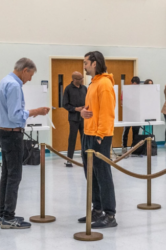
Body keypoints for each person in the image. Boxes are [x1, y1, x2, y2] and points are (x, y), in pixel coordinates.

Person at [0, 58, 50, 229]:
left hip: (3, 132)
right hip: (12, 135)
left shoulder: (4, 81)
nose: (30, 79)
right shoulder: (15, 86)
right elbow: (15, 115)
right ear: (25, 70)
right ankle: (9, 217)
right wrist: (36, 112)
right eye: (30, 75)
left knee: (6, 175)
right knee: (14, 176)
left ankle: (2, 213)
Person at [80, 51, 117, 229]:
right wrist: (82, 112)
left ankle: (110, 215)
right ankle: (97, 210)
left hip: (99, 136)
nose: (84, 66)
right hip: (88, 133)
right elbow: (91, 109)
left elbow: (107, 113)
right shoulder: (93, 83)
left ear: (95, 63)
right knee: (91, 174)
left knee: (103, 175)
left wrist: (101, 135)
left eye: (86, 63)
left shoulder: (104, 84)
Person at [62, 71, 87, 167]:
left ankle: (85, 159)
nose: (82, 80)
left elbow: (89, 100)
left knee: (84, 139)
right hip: (73, 118)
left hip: (84, 117)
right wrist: (75, 109)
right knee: (72, 138)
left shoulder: (84, 88)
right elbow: (65, 104)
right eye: (80, 79)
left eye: (82, 78)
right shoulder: (68, 89)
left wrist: (85, 107)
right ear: (74, 79)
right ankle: (69, 160)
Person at [121, 77, 141, 156]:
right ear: (131, 82)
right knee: (126, 131)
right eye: (133, 85)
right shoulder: (126, 91)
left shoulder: (140, 91)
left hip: (137, 114)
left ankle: (134, 148)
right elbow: (122, 102)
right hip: (128, 114)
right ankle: (124, 148)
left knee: (135, 132)